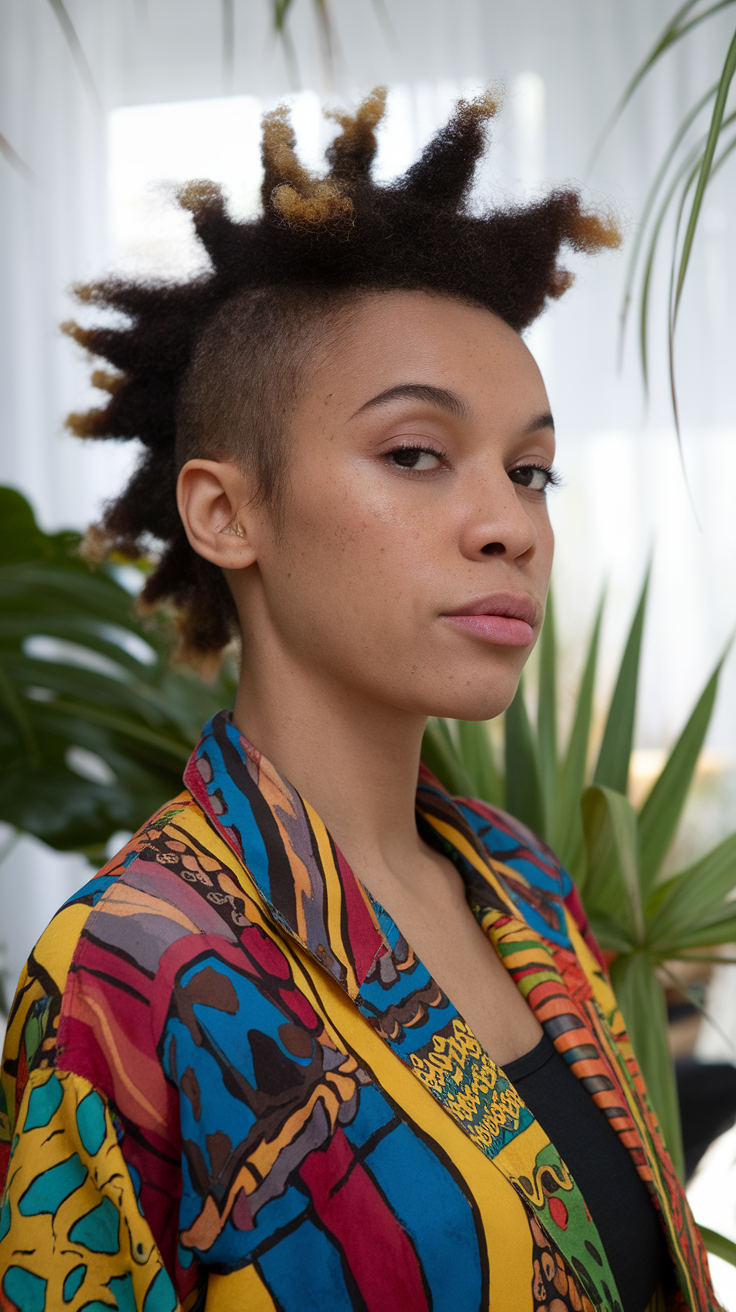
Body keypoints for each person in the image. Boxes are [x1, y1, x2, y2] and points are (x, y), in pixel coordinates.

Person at [0, 89, 718, 1312]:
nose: (509, 526)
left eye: (528, 469)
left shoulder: (524, 882)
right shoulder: (128, 977)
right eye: (414, 454)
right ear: (226, 513)